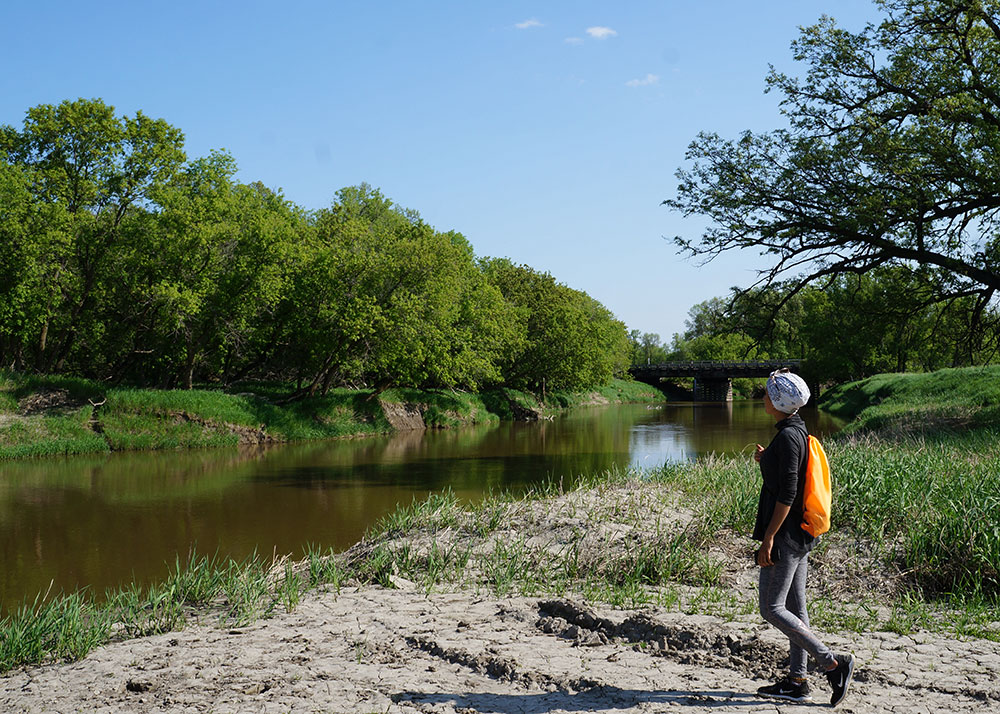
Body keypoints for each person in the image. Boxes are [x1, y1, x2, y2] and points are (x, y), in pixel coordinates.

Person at [752, 368, 855, 706]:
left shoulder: (787, 437)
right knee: (796, 607)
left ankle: (832, 663)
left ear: (779, 401)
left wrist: (769, 538)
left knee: (771, 607)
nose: (764, 397)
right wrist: (766, 460)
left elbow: (787, 493)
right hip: (801, 533)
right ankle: (798, 681)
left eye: (768, 393)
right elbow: (787, 475)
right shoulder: (796, 430)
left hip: (786, 536)